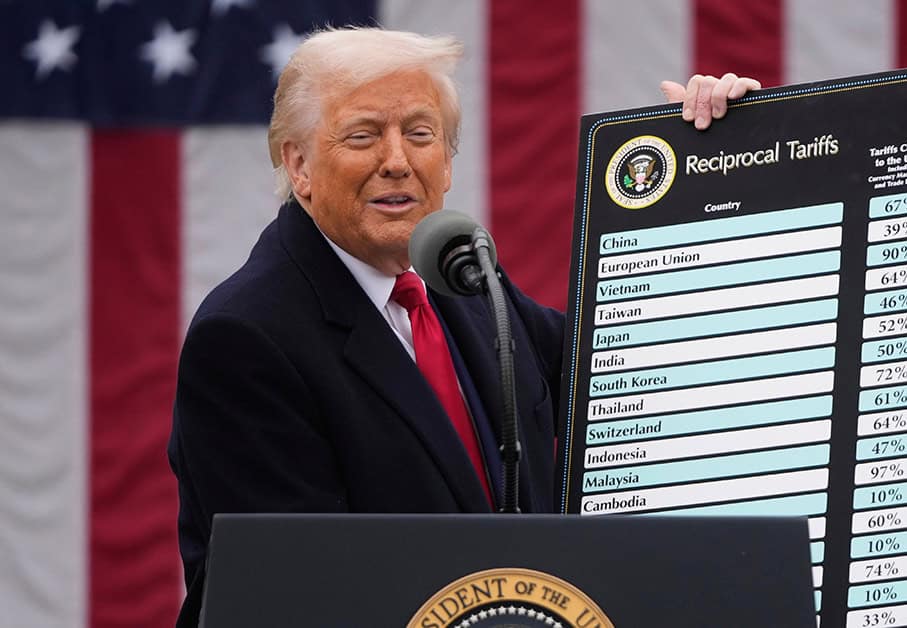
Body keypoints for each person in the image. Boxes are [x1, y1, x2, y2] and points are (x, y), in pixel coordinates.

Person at [167, 27, 759, 627]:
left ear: (446, 163)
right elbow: (300, 594)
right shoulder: (245, 337)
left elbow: (630, 369)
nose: (396, 161)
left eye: (420, 134)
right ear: (299, 165)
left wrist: (708, 173)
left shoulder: (463, 280)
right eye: (364, 135)